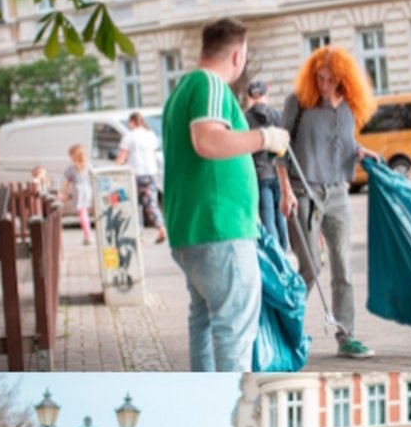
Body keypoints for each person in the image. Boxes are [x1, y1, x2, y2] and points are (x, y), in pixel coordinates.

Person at [161, 18, 290, 371]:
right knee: (234, 330)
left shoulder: (181, 90)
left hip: (194, 229)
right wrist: (265, 138)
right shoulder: (210, 85)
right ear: (237, 55)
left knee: (204, 324)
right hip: (222, 229)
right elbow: (208, 141)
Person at [277, 47, 381, 360]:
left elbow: (339, 140)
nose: (323, 84)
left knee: (343, 266)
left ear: (342, 78)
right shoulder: (300, 101)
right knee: (309, 266)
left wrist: (360, 151)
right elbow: (280, 147)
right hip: (302, 189)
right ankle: (284, 329)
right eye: (319, 78)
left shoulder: (350, 104)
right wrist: (285, 190)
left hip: (337, 192)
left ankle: (346, 335)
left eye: (330, 79)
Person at [243, 80, 288, 251]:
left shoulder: (245, 119)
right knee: (280, 216)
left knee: (267, 216)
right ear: (266, 95)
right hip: (278, 172)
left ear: (249, 97)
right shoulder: (277, 115)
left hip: (259, 175)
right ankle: (283, 250)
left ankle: (275, 252)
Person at [115, 112, 167, 244]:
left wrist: (116, 167)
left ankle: (139, 235)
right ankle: (161, 228)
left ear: (132, 122)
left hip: (135, 174)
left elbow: (121, 157)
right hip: (150, 174)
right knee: (151, 204)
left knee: (135, 205)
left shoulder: (129, 136)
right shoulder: (150, 135)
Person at [61, 144, 94, 245]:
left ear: (74, 155)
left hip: (78, 190)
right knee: (85, 213)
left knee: (82, 213)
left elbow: (66, 183)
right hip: (87, 190)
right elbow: (94, 177)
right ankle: (87, 235)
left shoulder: (71, 168)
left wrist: (64, 194)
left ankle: (88, 235)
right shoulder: (88, 166)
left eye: (70, 155)